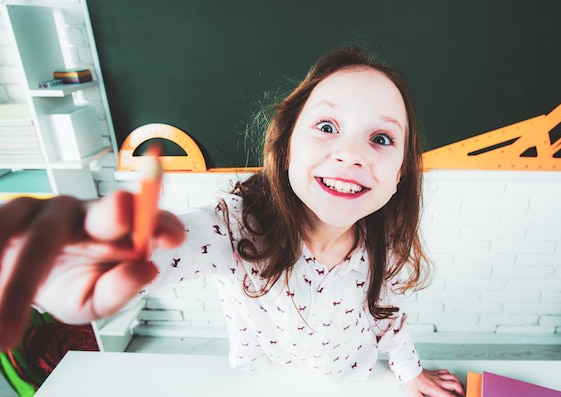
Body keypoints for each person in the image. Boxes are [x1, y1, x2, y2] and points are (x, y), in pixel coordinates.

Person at [0, 46, 464, 397]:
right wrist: (81, 258)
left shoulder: (389, 244)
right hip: (265, 377)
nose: (351, 153)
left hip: (354, 379)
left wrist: (409, 371)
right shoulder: (237, 227)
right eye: (326, 127)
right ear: (286, 148)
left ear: (400, 172)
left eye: (381, 138)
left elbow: (388, 317)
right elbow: (174, 246)